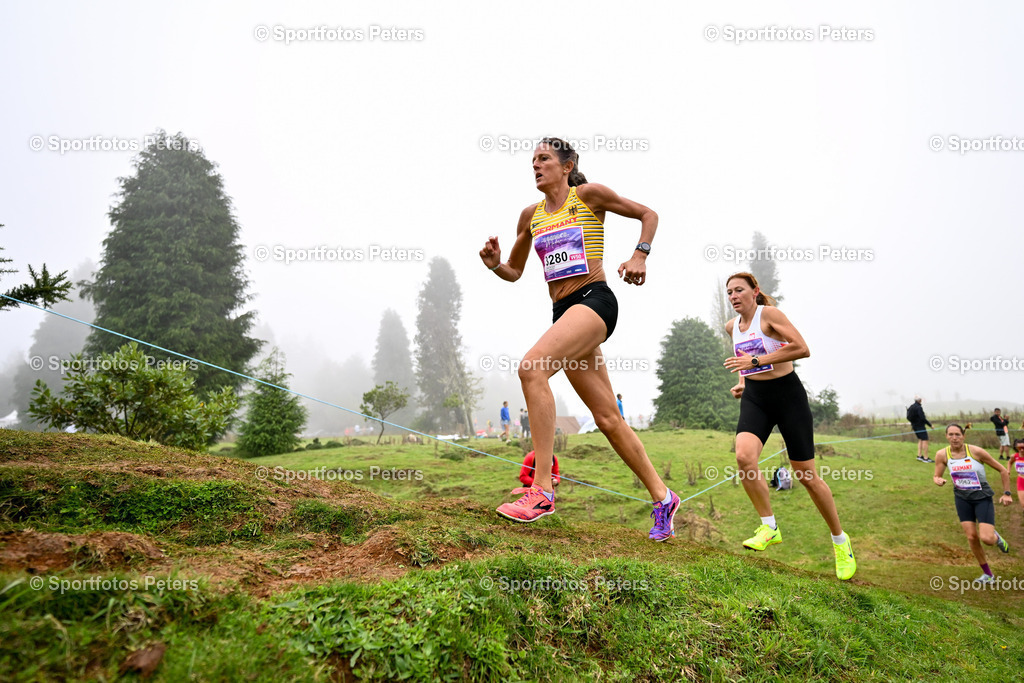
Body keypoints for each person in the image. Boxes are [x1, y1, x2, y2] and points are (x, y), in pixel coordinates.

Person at [479, 137, 679, 540]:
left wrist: (640, 254)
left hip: (594, 301)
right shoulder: (530, 216)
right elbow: (515, 272)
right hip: (563, 313)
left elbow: (648, 213)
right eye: (532, 160)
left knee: (531, 368)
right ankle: (663, 497)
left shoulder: (588, 196)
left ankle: (541, 490)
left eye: (544, 159)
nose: (535, 165)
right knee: (607, 418)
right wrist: (494, 265)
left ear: (567, 165)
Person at [722, 272, 857, 580]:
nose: (733, 296)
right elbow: (744, 358)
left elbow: (801, 348)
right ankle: (769, 527)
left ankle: (840, 541)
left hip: (788, 397)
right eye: (729, 292)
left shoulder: (769, 315)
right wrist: (742, 381)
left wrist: (755, 364)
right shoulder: (732, 327)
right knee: (744, 457)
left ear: (755, 291)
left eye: (739, 290)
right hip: (756, 398)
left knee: (806, 476)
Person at [933, 423, 1013, 583]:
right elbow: (936, 475)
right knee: (971, 537)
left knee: (986, 538)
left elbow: (1003, 470)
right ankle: (988, 574)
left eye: (957, 434)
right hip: (962, 498)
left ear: (963, 436)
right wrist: (939, 480)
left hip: (982, 497)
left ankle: (996, 537)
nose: (954, 438)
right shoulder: (942, 455)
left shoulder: (976, 451)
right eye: (951, 435)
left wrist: (1007, 494)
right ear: (946, 436)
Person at [907, 395, 934, 463]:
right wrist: (930, 425)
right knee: (925, 440)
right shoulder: (919, 407)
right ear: (920, 400)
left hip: (914, 426)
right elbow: (923, 418)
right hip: (920, 427)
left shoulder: (911, 406)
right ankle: (926, 458)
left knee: (920, 440)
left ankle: (919, 456)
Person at [1011, 438, 1024, 514]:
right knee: (1022, 502)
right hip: (1021, 479)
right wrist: (1008, 470)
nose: (1021, 450)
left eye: (1023, 448)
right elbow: (1010, 462)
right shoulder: (1014, 456)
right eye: (1019, 448)